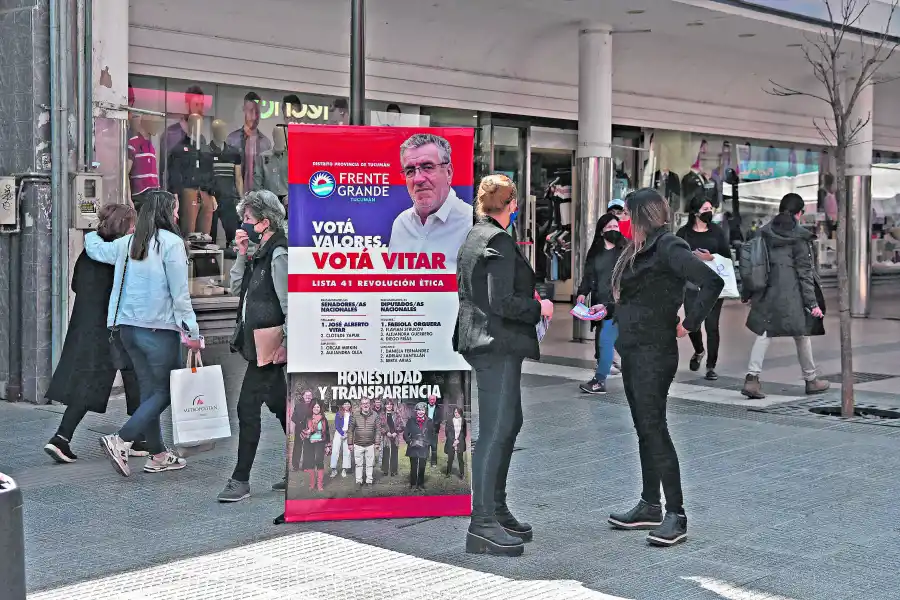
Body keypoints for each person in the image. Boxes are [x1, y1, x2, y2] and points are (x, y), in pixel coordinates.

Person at [606, 188, 724, 548]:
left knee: (655, 428)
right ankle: (649, 504)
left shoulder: (669, 246)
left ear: (641, 215)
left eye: (627, 214)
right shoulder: (639, 248)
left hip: (655, 353)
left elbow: (711, 281)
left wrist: (689, 323)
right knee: (644, 427)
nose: (623, 221)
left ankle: (676, 514)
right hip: (634, 348)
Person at [453, 173, 555, 557]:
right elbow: (502, 301)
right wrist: (541, 307)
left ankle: (496, 510)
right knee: (496, 430)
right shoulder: (496, 239)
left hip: (488, 342)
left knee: (509, 423)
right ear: (512, 205)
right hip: (493, 344)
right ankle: (481, 524)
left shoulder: (476, 234)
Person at [85, 190, 202, 477]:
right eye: (175, 210)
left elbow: (94, 249)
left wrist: (93, 229)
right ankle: (121, 439)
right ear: (165, 212)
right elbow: (180, 295)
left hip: (128, 329)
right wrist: (193, 332)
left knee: (150, 391)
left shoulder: (128, 242)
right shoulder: (172, 244)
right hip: (158, 330)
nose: (178, 214)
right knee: (167, 391)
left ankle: (158, 454)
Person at [44, 205, 143, 463]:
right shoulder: (120, 254)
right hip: (113, 327)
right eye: (132, 224)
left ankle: (62, 438)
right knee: (134, 376)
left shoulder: (90, 251)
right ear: (124, 227)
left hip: (85, 324)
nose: (135, 229)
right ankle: (137, 437)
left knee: (90, 383)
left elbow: (77, 284)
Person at [217, 190, 289, 503]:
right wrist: (242, 253)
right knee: (282, 407)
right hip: (257, 345)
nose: (243, 223)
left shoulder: (278, 253)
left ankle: (240, 479)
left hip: (270, 344)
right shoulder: (260, 251)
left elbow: (289, 302)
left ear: (264, 220)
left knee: (247, 408)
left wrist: (287, 340)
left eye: (248, 218)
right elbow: (236, 289)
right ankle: (311, 464)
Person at [741, 193, 831, 399]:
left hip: (767, 293)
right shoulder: (799, 237)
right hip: (793, 296)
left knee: (764, 334)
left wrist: (747, 292)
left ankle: (752, 379)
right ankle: (811, 379)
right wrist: (812, 302)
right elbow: (805, 273)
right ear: (799, 213)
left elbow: (754, 264)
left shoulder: (764, 232)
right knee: (802, 335)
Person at [389, 133, 473, 270]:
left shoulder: (472, 225)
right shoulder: (401, 224)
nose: (418, 179)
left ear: (449, 172)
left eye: (427, 167)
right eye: (410, 171)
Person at [676, 195, 731, 381]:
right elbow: (675, 257)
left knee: (712, 325)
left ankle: (711, 366)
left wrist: (711, 258)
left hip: (714, 285)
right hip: (691, 285)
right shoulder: (683, 233)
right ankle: (699, 351)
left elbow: (727, 257)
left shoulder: (717, 232)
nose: (709, 212)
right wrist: (690, 258)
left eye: (711, 208)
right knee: (693, 322)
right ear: (695, 212)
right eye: (705, 208)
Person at [576, 213, 626, 395]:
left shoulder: (625, 249)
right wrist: (582, 292)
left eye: (616, 227)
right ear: (601, 230)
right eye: (609, 227)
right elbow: (589, 275)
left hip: (621, 303)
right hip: (601, 304)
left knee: (608, 340)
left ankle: (599, 380)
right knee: (611, 341)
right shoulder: (596, 251)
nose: (613, 230)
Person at [226, 91, 273, 198]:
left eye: (257, 112)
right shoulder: (232, 140)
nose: (255, 116)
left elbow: (267, 175)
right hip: (235, 198)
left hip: (258, 199)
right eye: (251, 111)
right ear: (244, 111)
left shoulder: (266, 143)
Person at [299, 400, 330, 492]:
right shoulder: (307, 418)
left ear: (320, 408)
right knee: (310, 462)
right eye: (314, 407)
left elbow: (327, 433)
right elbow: (302, 430)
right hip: (309, 442)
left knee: (319, 460)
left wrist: (328, 445)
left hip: (320, 442)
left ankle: (320, 484)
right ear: (311, 408)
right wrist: (307, 431)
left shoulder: (324, 419)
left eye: (318, 407)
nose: (316, 409)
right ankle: (312, 484)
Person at [348, 397, 380, 486]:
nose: (365, 405)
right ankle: (359, 480)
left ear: (370, 404)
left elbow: (378, 430)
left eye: (367, 403)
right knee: (358, 464)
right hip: (358, 444)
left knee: (370, 464)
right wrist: (350, 443)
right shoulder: (355, 415)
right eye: (363, 403)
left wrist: (377, 443)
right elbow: (350, 430)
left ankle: (369, 480)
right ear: (361, 405)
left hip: (370, 444)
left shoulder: (375, 415)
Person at [403, 402, 433, 491]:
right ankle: (412, 484)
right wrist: (409, 441)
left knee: (422, 466)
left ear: (425, 411)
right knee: (413, 466)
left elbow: (432, 434)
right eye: (419, 410)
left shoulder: (429, 421)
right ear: (416, 411)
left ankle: (420, 484)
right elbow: (405, 433)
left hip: (424, 447)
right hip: (413, 446)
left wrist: (427, 443)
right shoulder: (411, 420)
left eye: (423, 410)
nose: (421, 412)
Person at [290, 389, 314, 472]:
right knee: (297, 448)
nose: (308, 397)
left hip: (310, 430)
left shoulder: (314, 406)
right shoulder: (298, 405)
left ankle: (306, 466)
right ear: (303, 396)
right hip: (299, 429)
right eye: (306, 395)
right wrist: (299, 424)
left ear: (312, 397)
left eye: (310, 395)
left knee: (308, 448)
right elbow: (293, 417)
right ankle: (295, 466)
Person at [330, 401, 353, 477]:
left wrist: (347, 434)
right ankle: (333, 469)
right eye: (345, 403)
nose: (347, 405)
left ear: (350, 405)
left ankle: (344, 469)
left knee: (347, 452)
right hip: (339, 433)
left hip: (348, 434)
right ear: (342, 405)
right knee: (335, 451)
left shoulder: (352, 415)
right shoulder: (339, 413)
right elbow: (337, 425)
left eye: (348, 404)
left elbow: (352, 426)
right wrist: (342, 433)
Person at [444, 407, 467, 479]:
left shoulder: (463, 421)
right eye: (455, 412)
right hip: (451, 442)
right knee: (450, 459)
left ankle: (462, 474)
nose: (456, 414)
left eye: (458, 412)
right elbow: (447, 432)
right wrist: (453, 441)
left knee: (460, 459)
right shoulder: (449, 420)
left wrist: (458, 440)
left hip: (460, 442)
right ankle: (448, 473)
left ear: (461, 413)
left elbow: (464, 433)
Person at [379, 399, 400, 477]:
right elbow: (379, 426)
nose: (389, 406)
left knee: (394, 453)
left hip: (395, 436)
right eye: (387, 404)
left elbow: (401, 425)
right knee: (386, 453)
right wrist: (385, 432)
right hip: (386, 437)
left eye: (391, 404)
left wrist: (396, 432)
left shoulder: (396, 414)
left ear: (392, 406)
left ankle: (393, 470)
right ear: (385, 405)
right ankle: (385, 470)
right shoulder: (382, 415)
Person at [425, 394, 442, 467]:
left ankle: (434, 462)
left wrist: (434, 423)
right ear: (428, 400)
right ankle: (424, 461)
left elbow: (440, 418)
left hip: (434, 429)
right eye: (431, 399)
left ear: (435, 400)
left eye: (433, 399)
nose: (432, 401)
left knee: (434, 446)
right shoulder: (425, 407)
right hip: (425, 429)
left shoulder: (438, 408)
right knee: (425, 446)